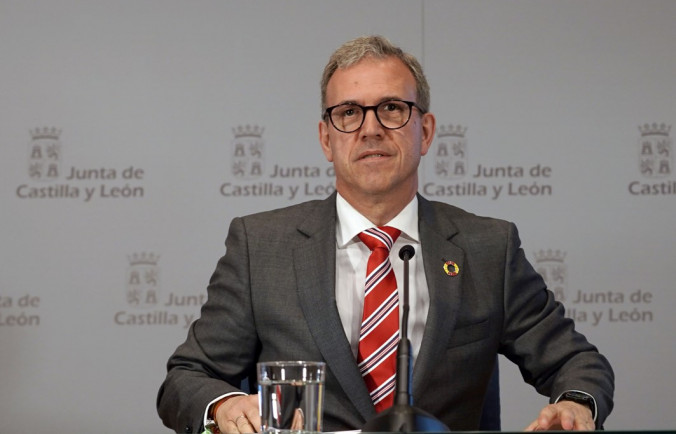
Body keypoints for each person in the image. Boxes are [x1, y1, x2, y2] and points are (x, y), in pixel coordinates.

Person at [157, 35, 614, 433]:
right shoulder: (261, 246)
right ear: (326, 139)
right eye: (349, 112)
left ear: (425, 131)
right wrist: (225, 405)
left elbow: (577, 363)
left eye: (392, 108)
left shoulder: (487, 248)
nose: (371, 129)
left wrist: (575, 404)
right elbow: (188, 377)